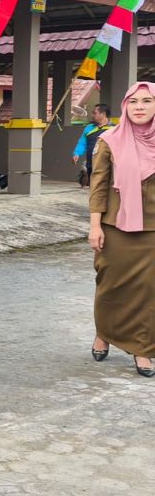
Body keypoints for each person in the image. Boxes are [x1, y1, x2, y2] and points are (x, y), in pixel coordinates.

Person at [88, 82, 155, 374]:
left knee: (148, 291)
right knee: (109, 285)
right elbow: (98, 186)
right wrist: (95, 226)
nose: (139, 107)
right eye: (133, 101)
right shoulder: (109, 140)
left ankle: (143, 348)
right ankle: (104, 333)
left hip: (152, 228)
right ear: (125, 106)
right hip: (114, 226)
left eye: (147, 101)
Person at [74, 103, 111, 188]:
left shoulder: (113, 129)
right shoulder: (89, 128)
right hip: (91, 164)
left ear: (103, 114)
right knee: (93, 188)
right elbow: (82, 143)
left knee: (103, 188)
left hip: (107, 165)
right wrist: (77, 153)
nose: (92, 115)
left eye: (94, 113)